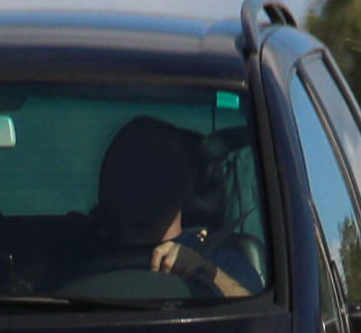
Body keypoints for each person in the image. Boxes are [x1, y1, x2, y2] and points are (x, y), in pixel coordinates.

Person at [61, 117, 254, 298]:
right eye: (133, 168)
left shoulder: (225, 263)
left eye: (160, 166)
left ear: (188, 181)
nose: (145, 179)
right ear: (113, 181)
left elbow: (256, 312)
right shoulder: (77, 261)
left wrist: (208, 272)